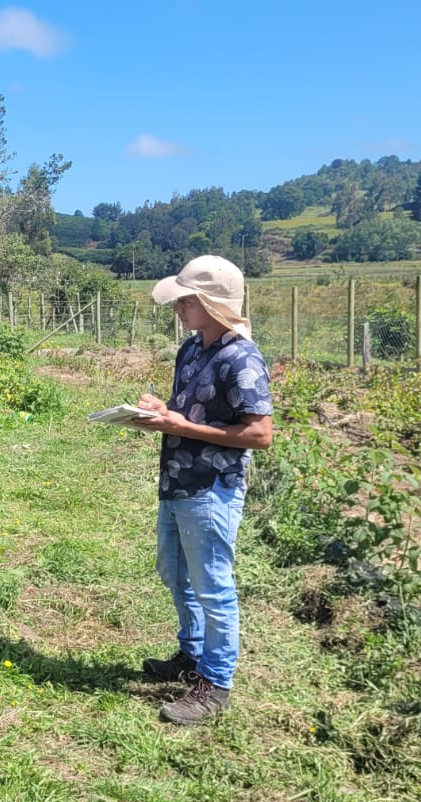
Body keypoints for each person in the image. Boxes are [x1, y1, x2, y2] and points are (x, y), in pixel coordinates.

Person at [132, 254, 274, 726]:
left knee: (212, 586)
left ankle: (215, 683)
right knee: (175, 574)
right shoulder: (192, 350)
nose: (179, 308)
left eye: (186, 301)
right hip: (178, 482)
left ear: (211, 304)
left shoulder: (241, 358)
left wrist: (182, 426)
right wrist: (164, 410)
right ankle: (191, 656)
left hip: (212, 489)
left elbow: (260, 434)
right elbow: (190, 411)